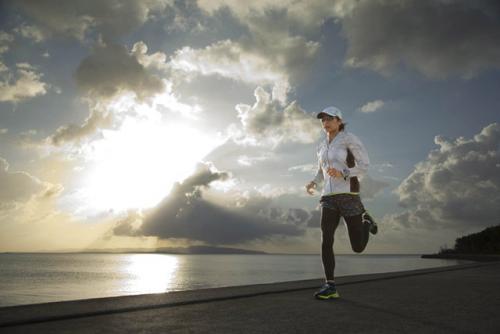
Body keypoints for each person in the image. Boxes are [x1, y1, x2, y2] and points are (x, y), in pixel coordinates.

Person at [305, 106, 378, 300]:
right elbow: (321, 171)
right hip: (328, 197)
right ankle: (330, 285)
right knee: (326, 239)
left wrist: (344, 173)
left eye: (330, 119)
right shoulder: (321, 146)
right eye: (323, 120)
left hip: (348, 194)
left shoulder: (349, 139)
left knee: (358, 247)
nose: (325, 123)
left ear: (339, 121)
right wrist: (314, 181)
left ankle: (366, 222)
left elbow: (365, 165)